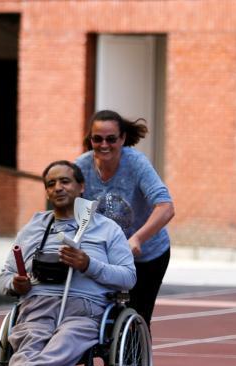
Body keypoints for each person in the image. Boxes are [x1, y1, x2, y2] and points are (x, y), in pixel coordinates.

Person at [0, 161, 136, 366]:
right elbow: (5, 276)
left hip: (84, 308)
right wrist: (15, 285)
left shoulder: (106, 229)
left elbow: (128, 277)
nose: (58, 187)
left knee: (67, 337)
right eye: (51, 184)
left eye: (65, 181)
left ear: (81, 186)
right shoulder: (33, 228)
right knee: (29, 337)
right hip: (37, 303)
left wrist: (88, 264)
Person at [75, 109, 174, 327]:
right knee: (95, 313)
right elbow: (76, 209)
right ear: (90, 139)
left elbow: (166, 207)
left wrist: (138, 238)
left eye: (111, 139)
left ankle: (136, 357)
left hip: (146, 256)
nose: (104, 145)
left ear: (122, 139)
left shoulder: (136, 164)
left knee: (136, 317)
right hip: (105, 255)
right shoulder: (81, 167)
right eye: (97, 139)